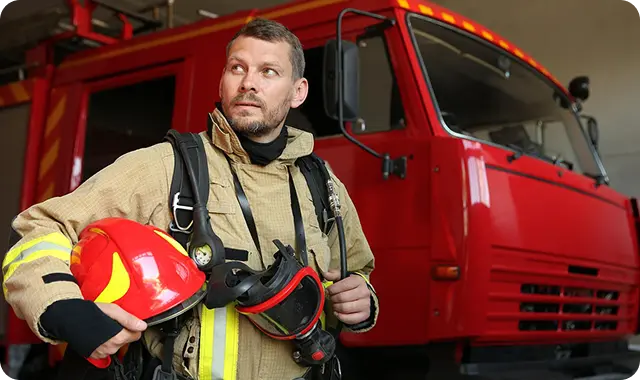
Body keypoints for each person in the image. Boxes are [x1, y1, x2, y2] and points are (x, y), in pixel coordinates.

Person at [2, 18, 378, 380]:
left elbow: (356, 271)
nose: (248, 83)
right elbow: (38, 227)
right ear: (222, 81)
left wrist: (362, 301)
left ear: (298, 92)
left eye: (268, 72)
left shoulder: (323, 185)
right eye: (237, 68)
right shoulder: (167, 166)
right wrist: (64, 308)